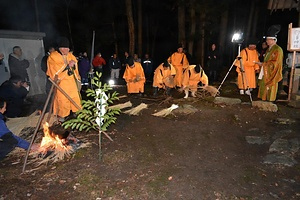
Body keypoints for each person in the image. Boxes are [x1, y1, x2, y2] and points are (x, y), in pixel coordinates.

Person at [47, 37, 81, 122]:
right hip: (61, 82)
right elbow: (54, 69)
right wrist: (67, 66)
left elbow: (74, 63)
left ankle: (77, 113)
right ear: (60, 48)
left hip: (71, 82)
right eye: (65, 48)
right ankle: (62, 116)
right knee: (63, 100)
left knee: (74, 97)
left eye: (68, 48)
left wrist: (74, 64)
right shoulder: (53, 56)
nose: (67, 50)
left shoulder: (70, 55)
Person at [256, 25, 283, 102]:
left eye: (268, 40)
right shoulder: (268, 49)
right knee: (263, 84)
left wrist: (264, 64)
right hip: (265, 70)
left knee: (271, 86)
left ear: (273, 40)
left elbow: (276, 63)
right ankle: (263, 99)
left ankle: (270, 101)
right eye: (267, 40)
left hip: (272, 72)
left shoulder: (278, 49)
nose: (267, 41)